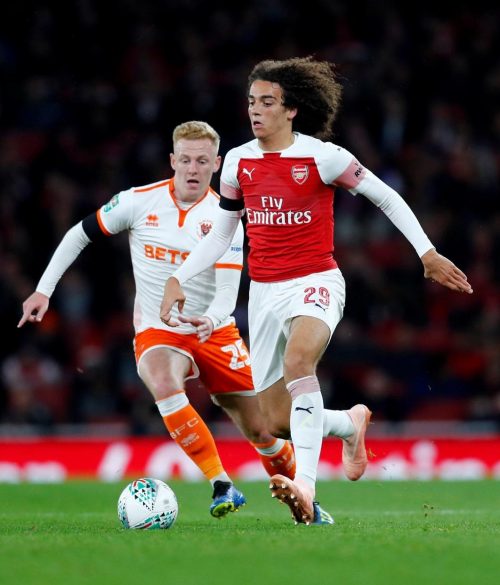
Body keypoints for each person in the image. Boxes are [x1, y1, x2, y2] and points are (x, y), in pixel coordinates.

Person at [159, 58, 473, 526]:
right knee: (273, 422)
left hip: (315, 282)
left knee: (299, 361)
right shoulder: (238, 163)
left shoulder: (324, 157)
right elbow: (222, 233)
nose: (255, 110)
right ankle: (348, 423)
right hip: (264, 294)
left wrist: (426, 253)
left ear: (291, 110)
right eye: (251, 101)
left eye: (268, 102)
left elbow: (386, 196)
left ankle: (305, 488)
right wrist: (178, 277)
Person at [18, 120, 296, 518]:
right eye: (186, 160)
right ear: (172, 160)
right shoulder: (137, 202)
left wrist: (212, 318)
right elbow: (79, 234)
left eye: (202, 161)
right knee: (163, 381)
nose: (193, 169)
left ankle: (306, 498)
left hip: (214, 331)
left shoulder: (226, 218)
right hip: (158, 329)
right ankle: (221, 483)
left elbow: (227, 291)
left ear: (217, 164)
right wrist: (44, 290)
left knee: (264, 429)